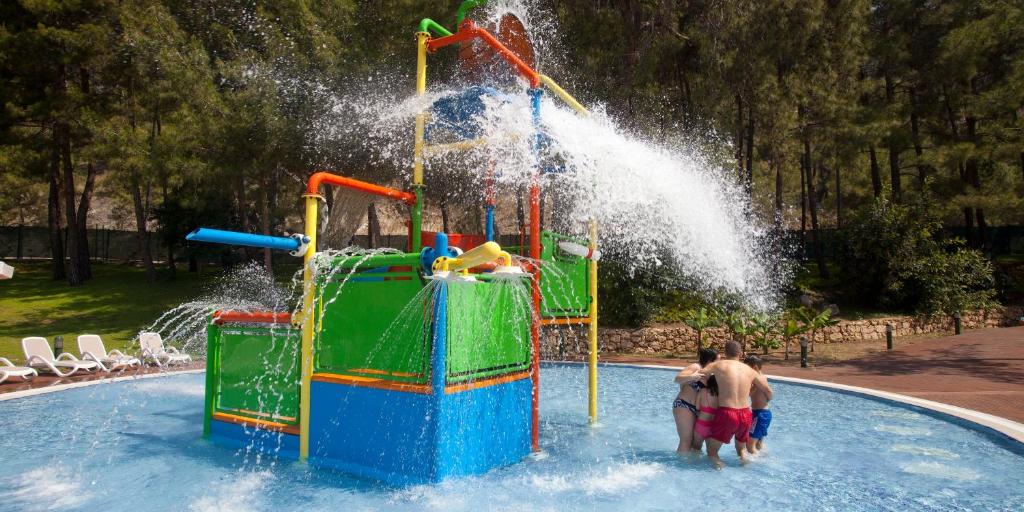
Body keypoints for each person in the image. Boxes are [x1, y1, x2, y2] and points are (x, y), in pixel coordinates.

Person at [698, 341, 772, 467]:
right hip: (746, 414)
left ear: (725, 352)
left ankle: (720, 470)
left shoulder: (718, 365)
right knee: (741, 450)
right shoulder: (750, 370)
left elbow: (700, 373)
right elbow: (768, 391)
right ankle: (746, 469)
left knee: (712, 452)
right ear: (740, 353)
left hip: (727, 413)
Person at [672, 348, 718, 452]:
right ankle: (681, 462)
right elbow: (677, 379)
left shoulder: (712, 374)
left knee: (696, 442)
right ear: (710, 361)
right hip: (684, 405)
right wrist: (693, 376)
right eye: (717, 360)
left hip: (698, 410)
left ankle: (692, 462)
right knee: (686, 440)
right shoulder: (696, 367)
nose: (719, 363)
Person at [744, 355, 772, 455]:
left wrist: (768, 399)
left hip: (760, 414)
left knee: (749, 446)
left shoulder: (759, 379)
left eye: (747, 368)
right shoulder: (760, 378)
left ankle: (752, 463)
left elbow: (769, 392)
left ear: (755, 367)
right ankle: (763, 457)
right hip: (763, 414)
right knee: (758, 444)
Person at [691, 375, 719, 453]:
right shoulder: (721, 394)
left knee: (696, 449)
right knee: (711, 453)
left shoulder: (703, 391)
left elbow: (697, 407)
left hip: (701, 425)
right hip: (713, 426)